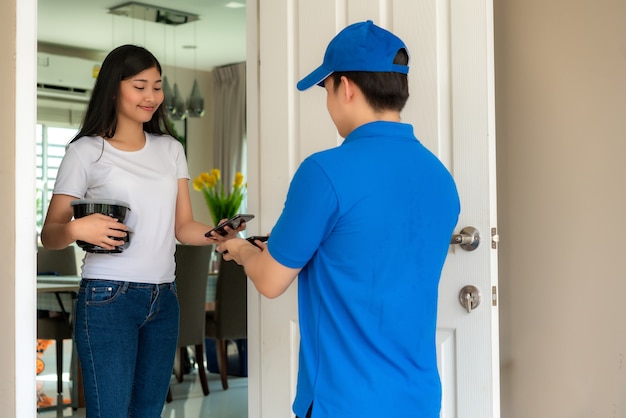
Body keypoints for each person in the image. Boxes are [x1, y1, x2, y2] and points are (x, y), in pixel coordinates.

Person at [218, 20, 460, 417]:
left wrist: (242, 250)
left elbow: (271, 280)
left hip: (343, 401)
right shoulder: (439, 177)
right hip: (417, 399)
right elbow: (372, 252)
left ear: (345, 87)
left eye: (326, 90)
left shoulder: (325, 171)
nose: (329, 103)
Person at [40, 44, 243, 417]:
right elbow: (50, 233)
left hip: (164, 299)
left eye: (157, 85)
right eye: (140, 85)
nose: (151, 96)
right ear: (114, 88)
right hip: (107, 299)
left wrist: (218, 233)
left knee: (149, 413)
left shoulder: (170, 149)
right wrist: (77, 228)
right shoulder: (86, 151)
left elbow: (183, 226)